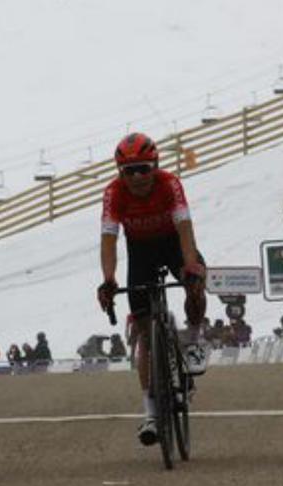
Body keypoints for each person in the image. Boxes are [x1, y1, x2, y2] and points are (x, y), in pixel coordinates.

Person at [95, 132, 208, 447]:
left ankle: (194, 339)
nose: (137, 177)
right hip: (140, 252)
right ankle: (150, 413)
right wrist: (108, 278)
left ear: (155, 166)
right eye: (129, 171)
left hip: (174, 244)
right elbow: (108, 240)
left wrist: (190, 268)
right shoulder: (114, 193)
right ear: (120, 173)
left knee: (196, 285)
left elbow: (185, 229)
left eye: (144, 168)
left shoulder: (169, 183)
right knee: (145, 333)